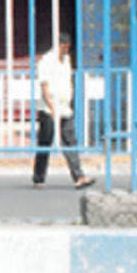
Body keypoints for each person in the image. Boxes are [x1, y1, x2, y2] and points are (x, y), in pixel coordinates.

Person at [32, 32, 94, 189]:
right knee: (45, 143)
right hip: (49, 109)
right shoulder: (46, 61)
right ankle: (39, 177)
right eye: (65, 47)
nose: (67, 50)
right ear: (60, 45)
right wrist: (53, 109)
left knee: (69, 141)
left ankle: (78, 176)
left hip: (65, 108)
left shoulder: (66, 60)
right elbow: (44, 86)